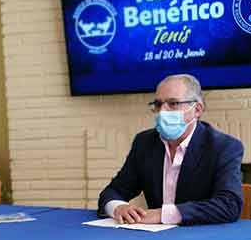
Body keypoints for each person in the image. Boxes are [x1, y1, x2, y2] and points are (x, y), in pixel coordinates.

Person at [98, 74, 243, 225]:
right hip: (155, 239)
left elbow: (229, 205)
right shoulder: (144, 142)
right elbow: (112, 192)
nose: (162, 112)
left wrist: (162, 215)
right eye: (158, 104)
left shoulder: (224, 146)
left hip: (201, 237)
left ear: (197, 109)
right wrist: (118, 207)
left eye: (173, 103)